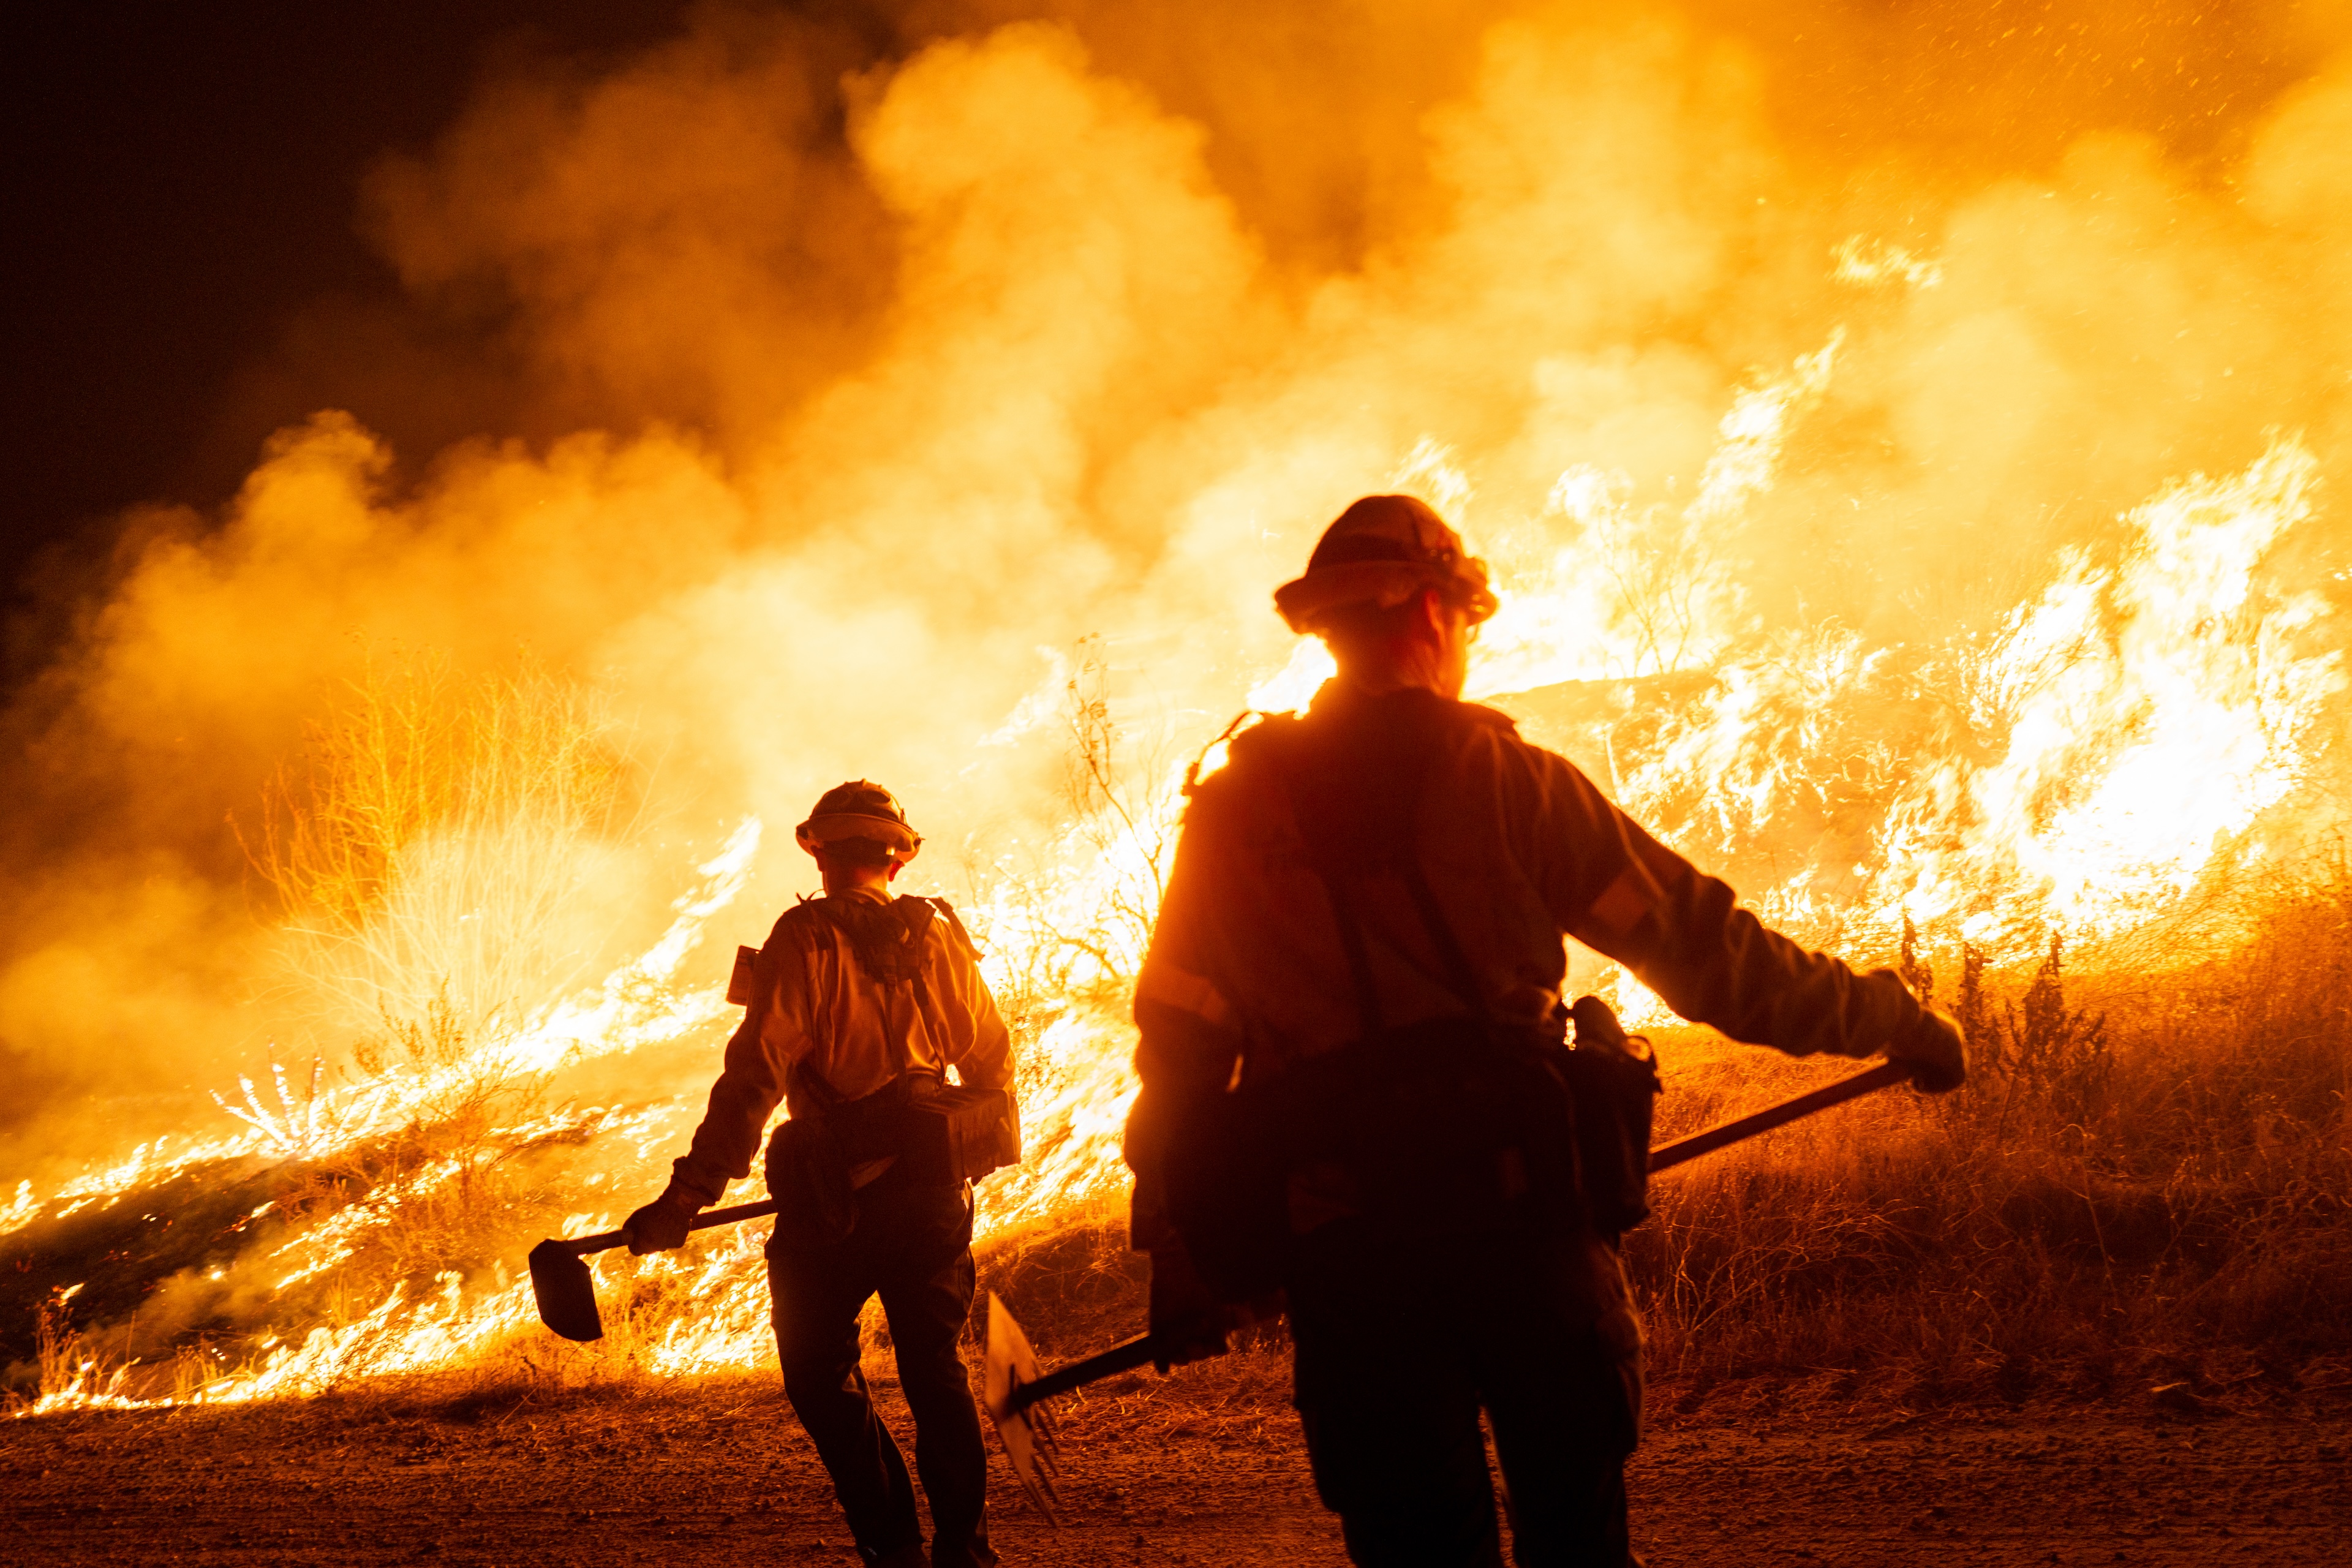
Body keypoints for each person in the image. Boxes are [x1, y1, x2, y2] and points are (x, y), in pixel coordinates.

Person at [1122, 495, 1967, 1568]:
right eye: (1468, 621)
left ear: (1330, 629)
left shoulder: (1229, 818)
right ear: (1434, 609)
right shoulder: (1506, 780)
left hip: (1353, 1260)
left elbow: (1181, 1053)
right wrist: (1890, 1019)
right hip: (1524, 1237)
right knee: (1579, 1547)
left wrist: (1179, 1249)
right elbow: (1705, 955)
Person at [627, 780, 1020, 1568]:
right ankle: (965, 1551)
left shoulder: (802, 938)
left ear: (819, 850)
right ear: (898, 858)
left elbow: (754, 1078)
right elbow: (991, 1059)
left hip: (834, 1207)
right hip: (935, 1196)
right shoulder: (941, 935)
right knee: (935, 1370)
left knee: (816, 1373)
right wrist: (949, 1144)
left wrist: (688, 1194)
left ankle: (893, 1545)